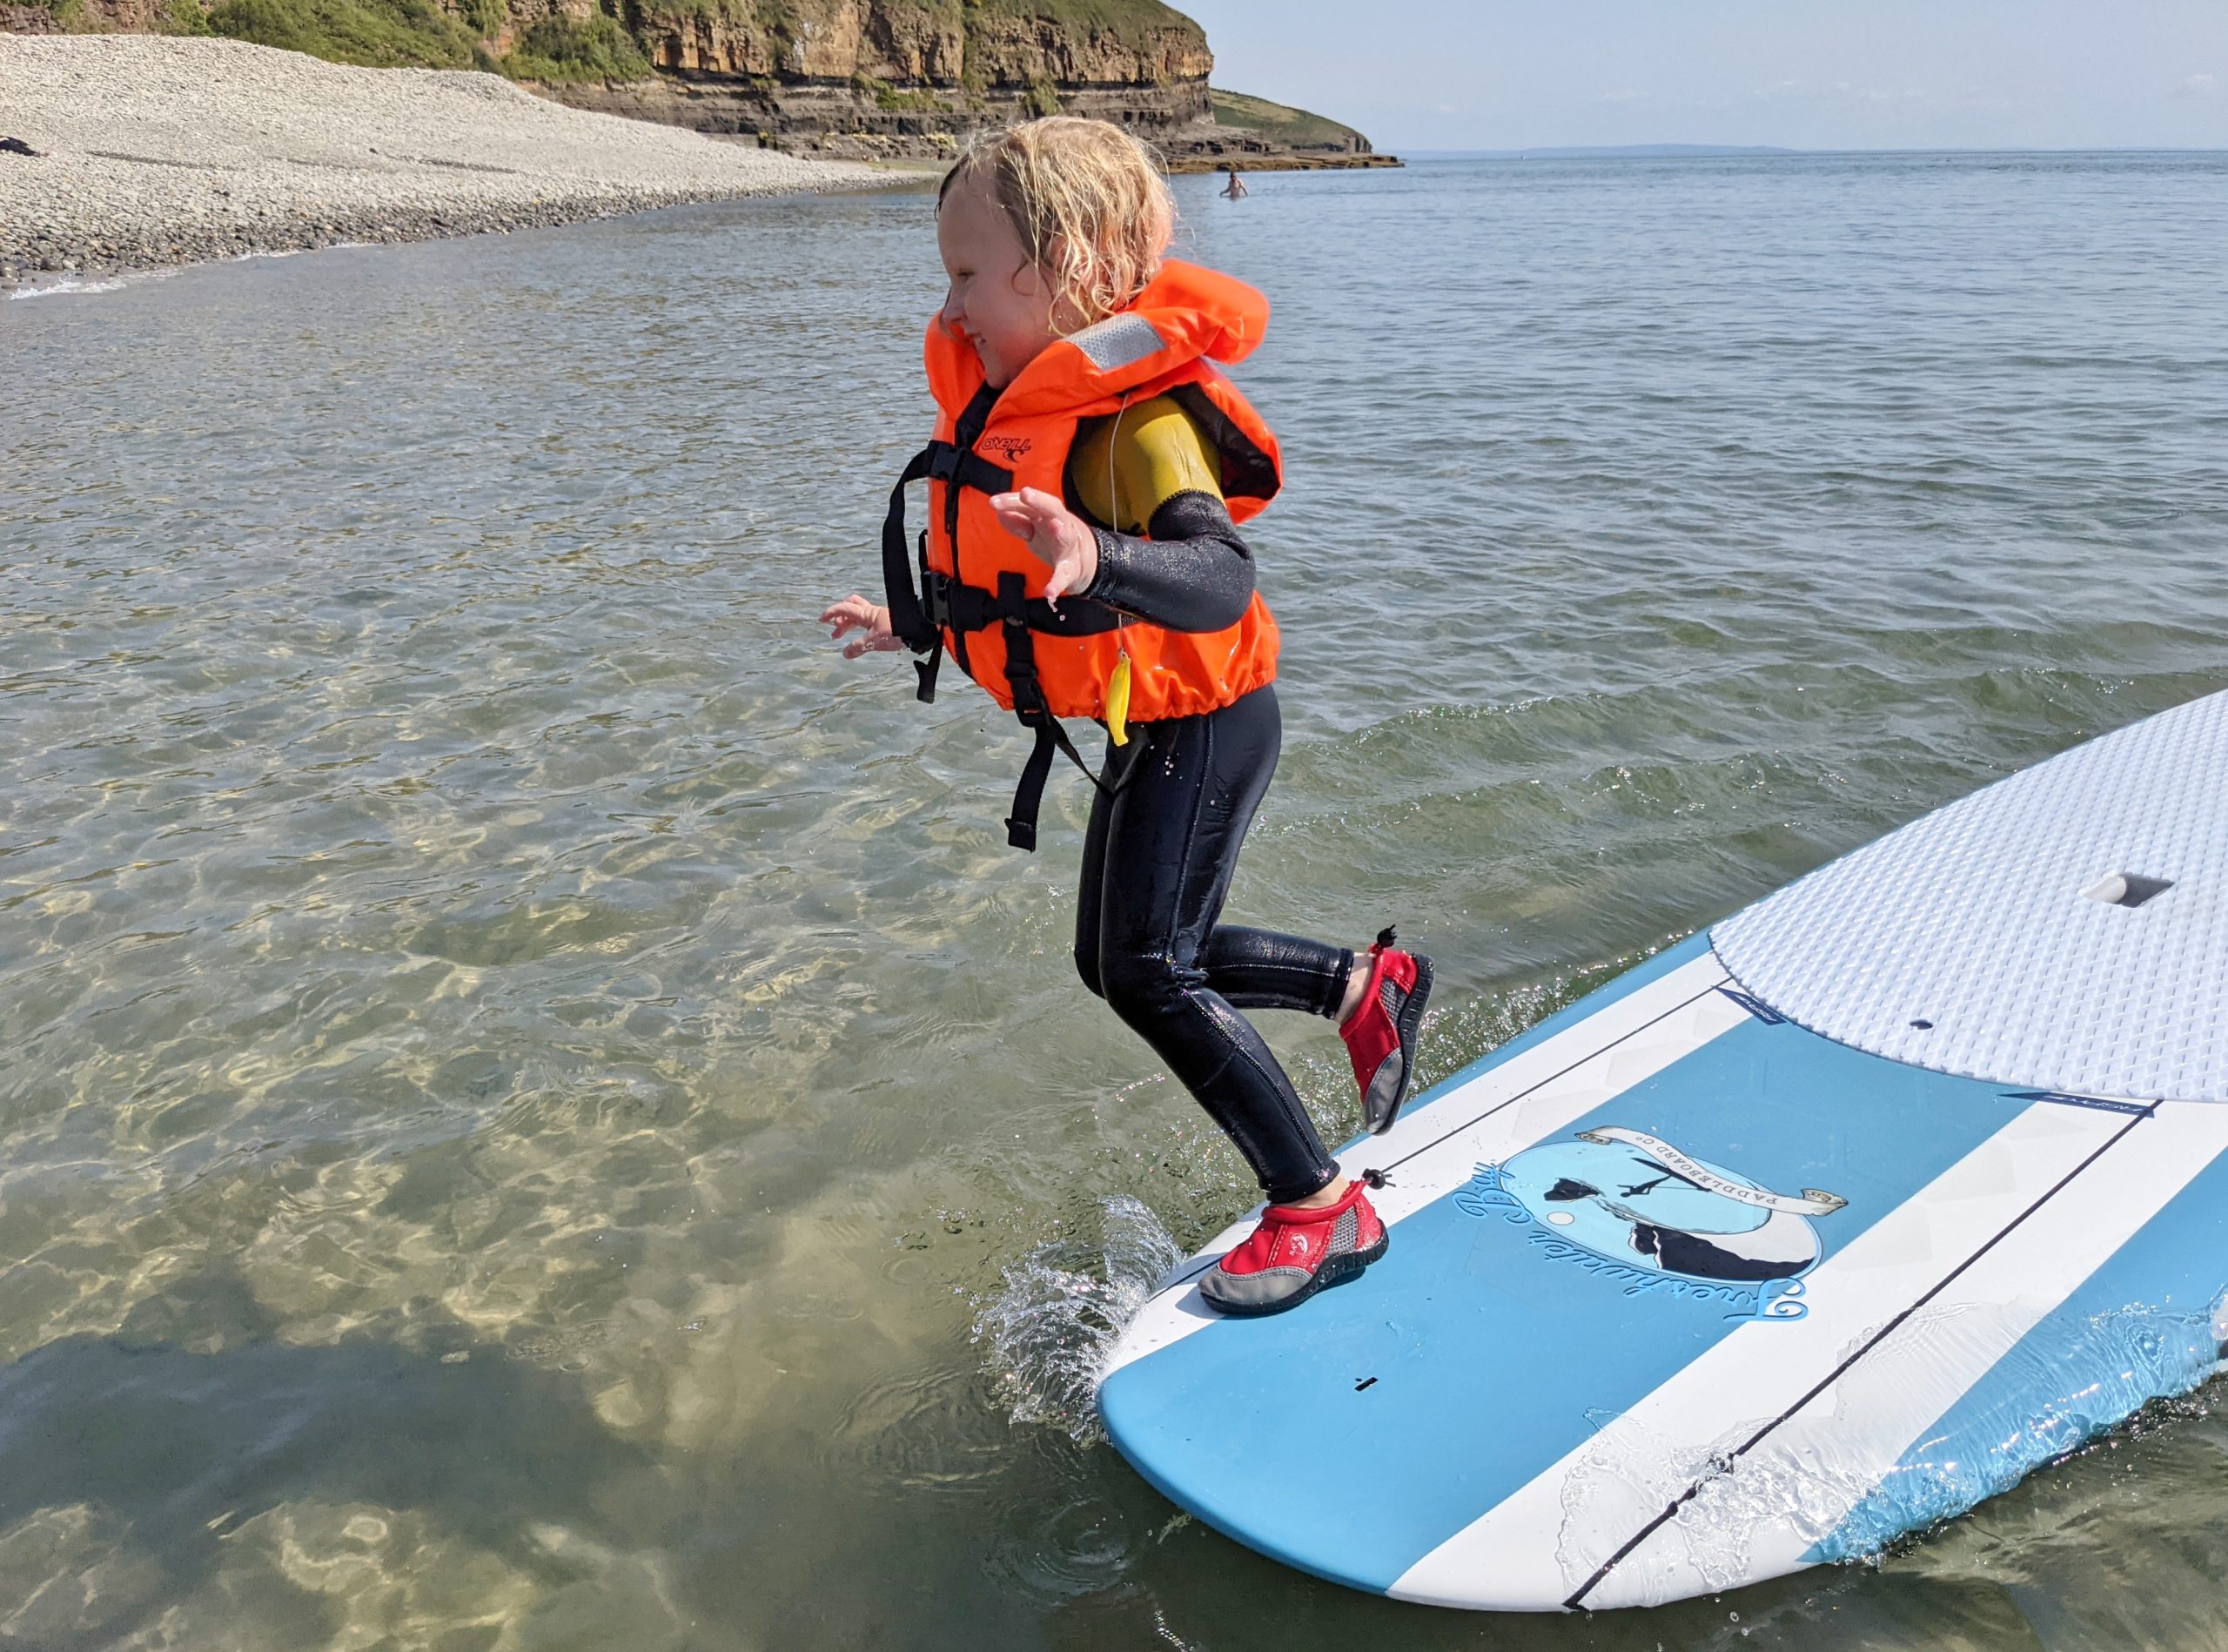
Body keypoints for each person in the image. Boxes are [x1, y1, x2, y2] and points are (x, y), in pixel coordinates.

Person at [820, 117, 1431, 1316]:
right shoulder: (1019, 404)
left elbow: (1220, 580)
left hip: (1212, 717)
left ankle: (1319, 1206)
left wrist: (1098, 552)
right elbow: (1024, 590)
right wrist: (924, 624)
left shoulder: (1139, 421)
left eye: (965, 276)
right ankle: (1362, 986)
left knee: (1149, 963)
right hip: (1159, 726)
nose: (949, 309)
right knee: (1124, 957)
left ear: (1060, 274)